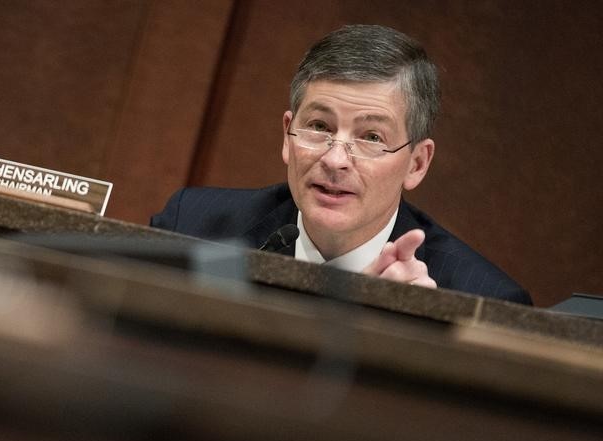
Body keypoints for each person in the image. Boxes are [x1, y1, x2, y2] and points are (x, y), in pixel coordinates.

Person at [151, 24, 531, 305]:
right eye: (319, 126)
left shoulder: (480, 300)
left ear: (416, 163)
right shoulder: (193, 227)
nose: (334, 160)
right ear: (288, 135)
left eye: (371, 138)